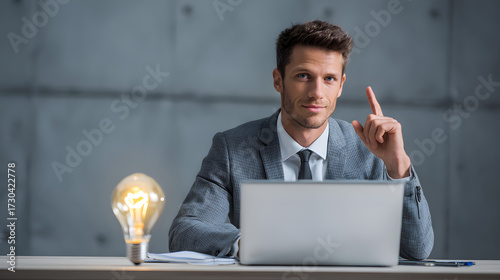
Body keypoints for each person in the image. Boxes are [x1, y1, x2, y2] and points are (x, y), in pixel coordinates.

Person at [169, 20, 434, 260]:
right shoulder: (233, 149)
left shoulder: (369, 151)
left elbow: (417, 249)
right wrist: (245, 243)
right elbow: (184, 231)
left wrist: (398, 166)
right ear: (278, 80)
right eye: (303, 76)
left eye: (329, 79)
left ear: (341, 85)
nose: (317, 93)